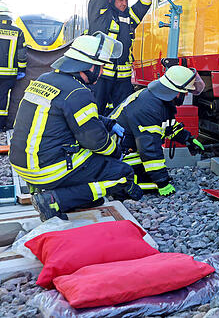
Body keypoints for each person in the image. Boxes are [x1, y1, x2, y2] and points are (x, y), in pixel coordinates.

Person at [9, 32, 142, 221]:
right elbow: (96, 142)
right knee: (121, 173)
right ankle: (55, 200)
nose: (102, 72)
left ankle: (76, 197)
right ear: (87, 66)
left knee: (91, 164)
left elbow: (68, 115)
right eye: (101, 67)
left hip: (23, 164)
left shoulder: (45, 79)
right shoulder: (78, 92)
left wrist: (109, 123)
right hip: (47, 169)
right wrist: (116, 153)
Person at [110, 65, 205, 196]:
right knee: (143, 181)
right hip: (118, 155)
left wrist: (187, 139)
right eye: (185, 92)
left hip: (125, 147)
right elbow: (149, 149)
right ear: (176, 91)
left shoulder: (158, 100)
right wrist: (162, 182)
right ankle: (120, 183)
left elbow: (168, 126)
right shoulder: (149, 108)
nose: (186, 95)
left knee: (151, 171)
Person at [87, 0, 152, 115]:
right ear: (110, 0)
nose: (124, 3)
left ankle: (118, 140)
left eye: (126, 0)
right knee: (95, 112)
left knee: (121, 114)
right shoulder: (99, 15)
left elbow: (144, 4)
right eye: (120, 0)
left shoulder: (130, 17)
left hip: (123, 79)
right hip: (100, 76)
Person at [0, 2, 27, 140]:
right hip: (9, 75)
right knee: (4, 99)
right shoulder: (18, 32)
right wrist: (22, 69)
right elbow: (22, 54)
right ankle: (2, 125)